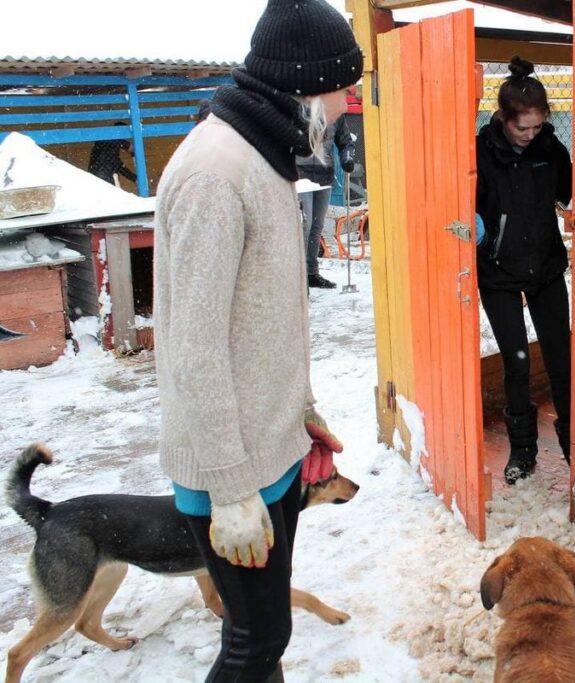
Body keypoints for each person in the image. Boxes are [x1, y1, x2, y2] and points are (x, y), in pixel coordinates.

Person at [152, 0, 361, 680]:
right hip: (230, 468)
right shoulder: (217, 173)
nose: (349, 100)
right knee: (254, 639)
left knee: (266, 635)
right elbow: (195, 348)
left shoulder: (265, 154)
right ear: (306, 83)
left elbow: (262, 315)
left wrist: (299, 408)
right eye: (343, 85)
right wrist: (230, 490)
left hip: (268, 451)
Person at [475, 57, 573, 485]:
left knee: (561, 361)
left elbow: (571, 194)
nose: (530, 135)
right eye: (522, 128)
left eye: (537, 127)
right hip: (498, 271)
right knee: (516, 364)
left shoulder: (550, 149)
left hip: (546, 266)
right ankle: (522, 451)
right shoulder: (480, 152)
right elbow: (459, 209)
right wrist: (473, 230)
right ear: (503, 118)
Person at [297, 115, 357, 289]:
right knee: (305, 226)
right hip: (300, 175)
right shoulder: (298, 105)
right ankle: (299, 276)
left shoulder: (334, 111)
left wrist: (347, 157)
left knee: (317, 226)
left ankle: (311, 272)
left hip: (324, 176)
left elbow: (345, 141)